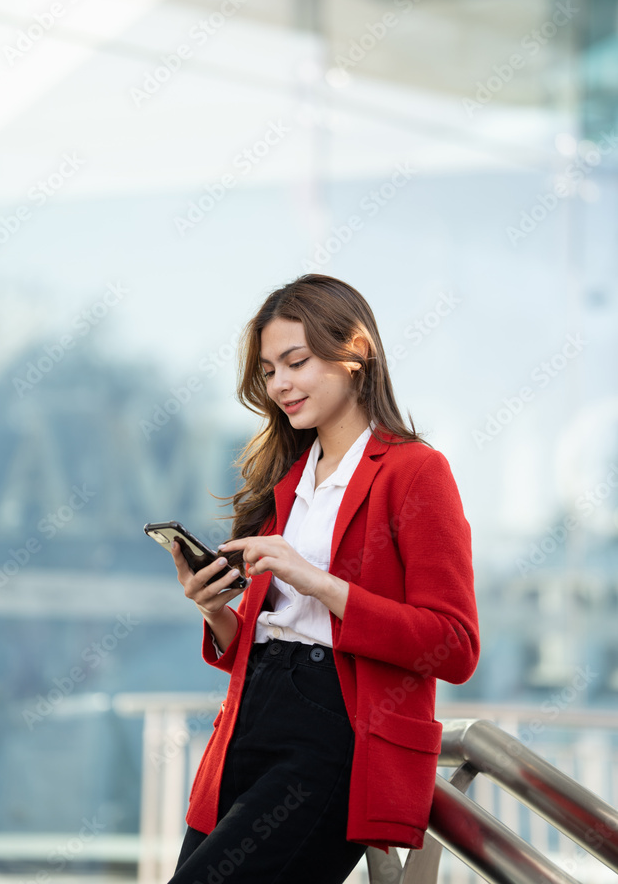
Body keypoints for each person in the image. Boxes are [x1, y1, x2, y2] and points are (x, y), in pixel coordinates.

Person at [166, 273, 480, 884]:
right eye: (268, 370)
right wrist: (214, 610)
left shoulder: (417, 472)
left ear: (356, 351)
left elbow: (455, 644)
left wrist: (317, 582)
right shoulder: (284, 477)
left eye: (296, 361)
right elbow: (262, 638)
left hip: (333, 733)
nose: (279, 383)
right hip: (248, 719)